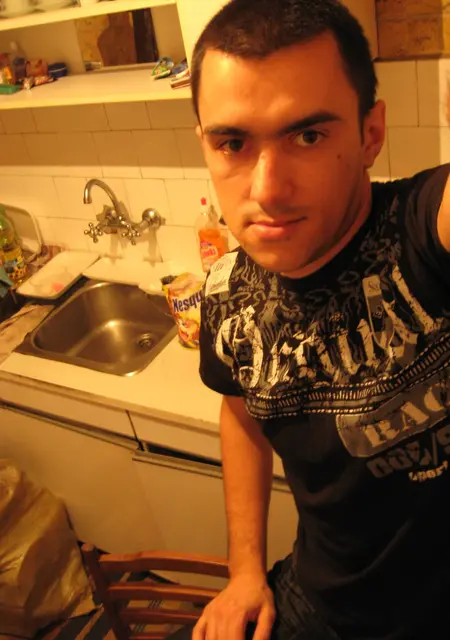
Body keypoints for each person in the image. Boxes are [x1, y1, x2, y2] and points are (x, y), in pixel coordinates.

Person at [172, 0, 450, 638]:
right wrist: (244, 570)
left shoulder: (422, 231)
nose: (267, 190)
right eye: (233, 143)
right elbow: (241, 413)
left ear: (370, 134)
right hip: (323, 605)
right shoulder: (226, 293)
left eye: (308, 136)